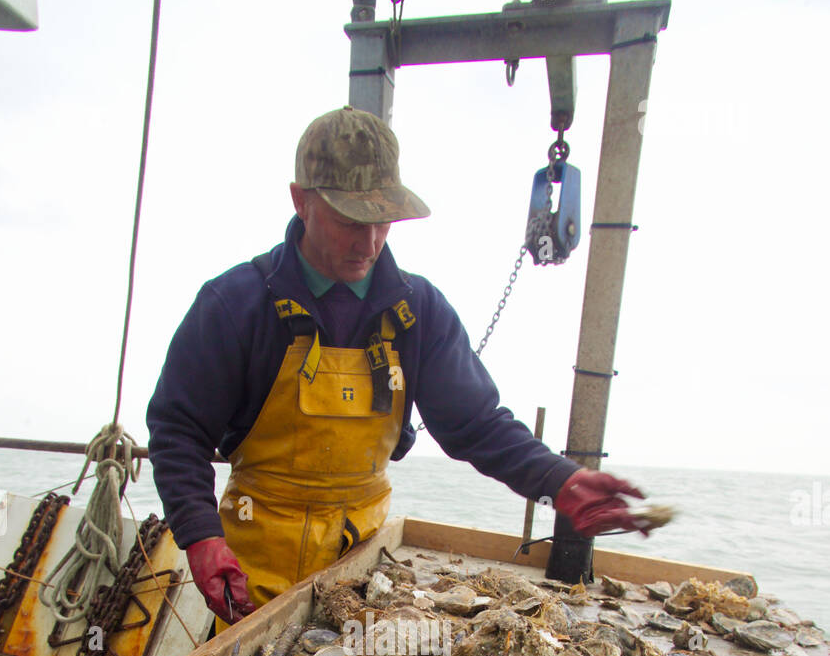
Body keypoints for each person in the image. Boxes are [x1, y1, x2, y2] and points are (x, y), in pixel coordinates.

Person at [147, 106, 646, 625]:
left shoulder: (417, 311)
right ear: (301, 200)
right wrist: (201, 535)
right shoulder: (235, 305)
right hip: (250, 585)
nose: (369, 244)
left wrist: (559, 479)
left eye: (383, 221)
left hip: (365, 577)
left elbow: (475, 423)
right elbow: (177, 429)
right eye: (349, 222)